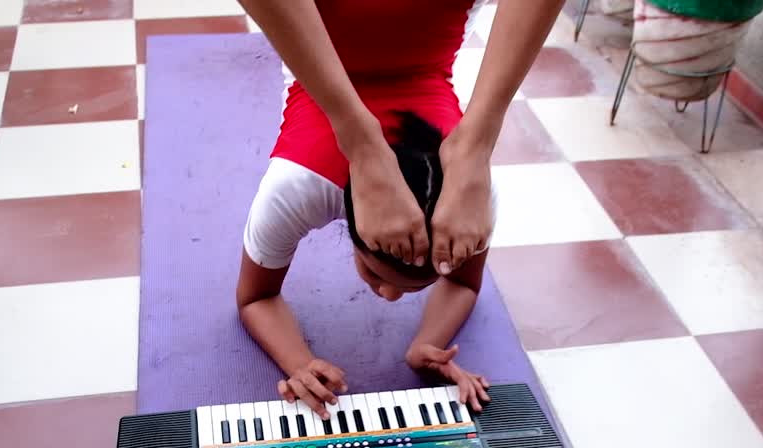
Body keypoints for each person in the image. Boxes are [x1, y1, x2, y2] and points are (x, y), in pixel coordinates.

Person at [236, 0, 565, 420]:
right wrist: (297, 362)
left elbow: (463, 283)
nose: (390, 297)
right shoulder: (300, 184)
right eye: (376, 273)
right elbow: (254, 297)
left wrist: (425, 344)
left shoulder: (472, 199)